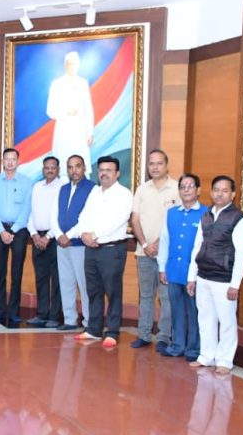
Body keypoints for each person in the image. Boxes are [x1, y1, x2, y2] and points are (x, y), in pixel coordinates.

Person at [186, 176, 243, 374]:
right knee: (205, 319)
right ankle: (206, 356)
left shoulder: (239, 219)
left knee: (227, 321)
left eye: (224, 190)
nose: (219, 194)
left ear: (233, 194)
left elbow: (242, 255)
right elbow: (197, 247)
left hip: (224, 279)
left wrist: (235, 285)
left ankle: (225, 360)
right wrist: (191, 277)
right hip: (203, 276)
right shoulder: (206, 216)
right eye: (216, 190)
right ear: (211, 192)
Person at [76, 156, 133, 348]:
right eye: (101, 170)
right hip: (91, 249)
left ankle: (113, 331)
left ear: (117, 173)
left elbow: (118, 219)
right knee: (93, 290)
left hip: (111, 250)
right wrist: (83, 234)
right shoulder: (94, 192)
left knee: (113, 291)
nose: (104, 173)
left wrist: (94, 234)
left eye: (109, 170)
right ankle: (94, 329)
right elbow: (83, 215)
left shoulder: (124, 194)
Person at [131, 149, 180, 351]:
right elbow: (135, 220)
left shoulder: (177, 188)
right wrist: (145, 244)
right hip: (144, 252)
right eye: (151, 163)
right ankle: (143, 334)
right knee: (146, 295)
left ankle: (164, 337)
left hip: (167, 254)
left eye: (159, 163)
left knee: (166, 297)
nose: (155, 167)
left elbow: (177, 221)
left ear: (166, 165)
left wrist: (160, 244)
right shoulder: (142, 189)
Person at [158, 173, 208, 361]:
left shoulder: (206, 213)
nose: (186, 189)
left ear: (198, 190)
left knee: (194, 312)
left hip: (194, 273)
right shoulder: (171, 213)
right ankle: (177, 346)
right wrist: (162, 267)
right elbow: (164, 241)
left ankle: (193, 349)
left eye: (190, 186)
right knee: (176, 311)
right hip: (174, 270)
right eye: (182, 186)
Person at [0, 148, 33, 323]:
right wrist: (1, 231)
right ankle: (0, 308)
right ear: (3, 161)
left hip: (19, 231)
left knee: (16, 272)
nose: (10, 162)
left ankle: (13, 310)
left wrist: (12, 231)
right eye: (7, 159)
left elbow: (27, 208)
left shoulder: (26, 182)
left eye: (13, 159)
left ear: (18, 161)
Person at [49, 154, 95, 331]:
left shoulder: (92, 188)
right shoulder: (63, 189)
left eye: (77, 166)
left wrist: (68, 236)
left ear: (84, 168)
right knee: (66, 282)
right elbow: (53, 215)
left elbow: (87, 218)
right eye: (70, 167)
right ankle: (69, 320)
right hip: (62, 244)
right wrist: (59, 235)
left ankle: (88, 322)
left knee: (84, 285)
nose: (74, 170)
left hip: (79, 244)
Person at [26, 155, 64, 327]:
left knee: (56, 279)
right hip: (37, 238)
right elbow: (31, 213)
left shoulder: (63, 187)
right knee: (41, 278)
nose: (49, 170)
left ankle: (54, 316)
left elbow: (60, 216)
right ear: (43, 170)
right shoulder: (36, 187)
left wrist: (48, 236)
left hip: (54, 238)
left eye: (53, 167)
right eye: (47, 168)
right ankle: (42, 314)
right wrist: (34, 235)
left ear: (58, 169)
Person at [47, 51, 94, 170]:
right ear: (65, 65)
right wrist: (66, 112)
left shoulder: (83, 83)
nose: (73, 67)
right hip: (63, 131)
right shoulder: (57, 84)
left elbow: (88, 109)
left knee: (81, 168)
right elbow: (50, 110)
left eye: (75, 64)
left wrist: (90, 132)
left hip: (80, 132)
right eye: (70, 64)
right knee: (63, 168)